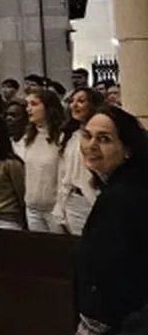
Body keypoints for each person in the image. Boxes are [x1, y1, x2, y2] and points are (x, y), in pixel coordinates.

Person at [73, 106, 148, 335]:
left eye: (104, 139)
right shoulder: (121, 187)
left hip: (124, 331)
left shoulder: (124, 197)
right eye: (87, 135)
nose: (91, 145)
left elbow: (113, 273)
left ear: (127, 150)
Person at [56, 87, 105, 234]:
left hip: (93, 199)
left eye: (81, 101)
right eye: (72, 101)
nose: (74, 105)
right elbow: (63, 171)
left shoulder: (102, 136)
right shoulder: (69, 135)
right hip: (72, 199)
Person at [16, 87, 64, 233]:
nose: (29, 109)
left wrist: (60, 208)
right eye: (27, 105)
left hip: (54, 209)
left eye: (34, 104)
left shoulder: (61, 137)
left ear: (48, 107)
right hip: (32, 208)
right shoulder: (29, 137)